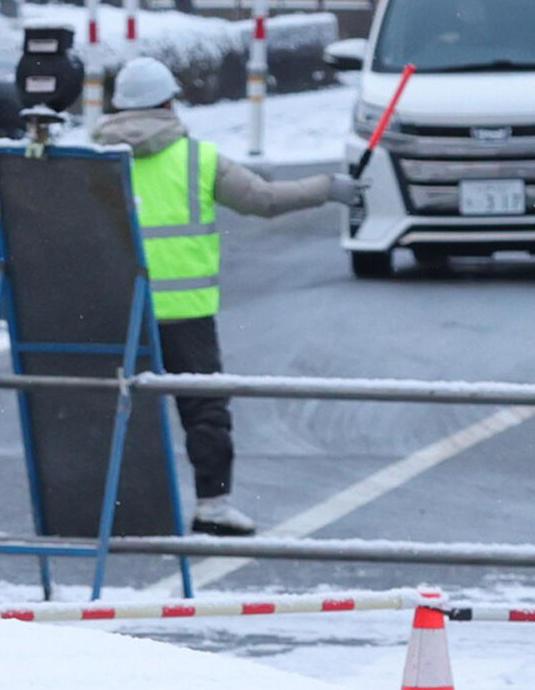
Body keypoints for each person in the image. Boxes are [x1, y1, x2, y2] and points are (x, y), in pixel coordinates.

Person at [92, 51, 350, 535]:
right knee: (204, 409)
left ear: (119, 107)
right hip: (186, 314)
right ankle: (212, 507)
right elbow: (264, 201)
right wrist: (328, 186)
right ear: (170, 103)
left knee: (116, 408)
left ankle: (114, 507)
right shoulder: (197, 158)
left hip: (120, 312)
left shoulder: (97, 162)